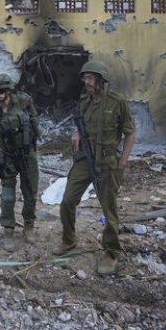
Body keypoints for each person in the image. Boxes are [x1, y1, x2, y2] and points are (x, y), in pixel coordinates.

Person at [54, 60, 135, 276]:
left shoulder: (117, 102)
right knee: (68, 201)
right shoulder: (84, 103)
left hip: (108, 163)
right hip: (85, 159)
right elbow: (82, 127)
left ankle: (111, 252)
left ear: (100, 80)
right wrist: (77, 134)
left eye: (89, 78)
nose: (85, 81)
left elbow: (129, 132)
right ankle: (69, 239)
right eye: (84, 78)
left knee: (109, 211)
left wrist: (123, 161)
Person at [0, 74, 40, 252]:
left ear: (9, 90)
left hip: (27, 156)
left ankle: (29, 226)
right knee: (8, 197)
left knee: (30, 193)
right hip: (7, 158)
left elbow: (34, 123)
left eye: (1, 91)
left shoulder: (23, 102)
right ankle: (8, 230)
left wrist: (31, 139)